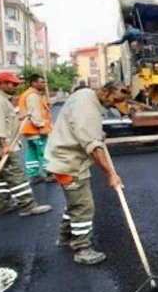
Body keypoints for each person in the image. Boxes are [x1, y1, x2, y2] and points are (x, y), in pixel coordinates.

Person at [45, 81, 128, 265]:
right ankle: (82, 248)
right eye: (114, 100)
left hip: (63, 156)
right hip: (69, 162)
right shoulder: (88, 109)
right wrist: (110, 174)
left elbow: (81, 127)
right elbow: (93, 147)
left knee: (74, 203)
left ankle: (65, 237)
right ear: (105, 91)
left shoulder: (84, 95)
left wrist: (97, 133)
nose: (113, 105)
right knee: (83, 206)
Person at [0, 72, 53, 217]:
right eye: (12, 84)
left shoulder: (1, 100)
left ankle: (0, 205)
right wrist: (4, 146)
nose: (16, 86)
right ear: (2, 84)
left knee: (0, 178)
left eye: (17, 84)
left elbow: (6, 120)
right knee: (17, 175)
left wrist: (20, 117)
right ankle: (28, 206)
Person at [17, 74, 54, 184]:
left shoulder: (31, 94)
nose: (44, 84)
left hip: (29, 130)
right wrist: (41, 126)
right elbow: (34, 113)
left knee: (32, 152)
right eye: (42, 82)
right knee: (43, 151)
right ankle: (49, 173)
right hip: (36, 130)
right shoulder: (32, 96)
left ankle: (33, 174)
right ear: (34, 83)